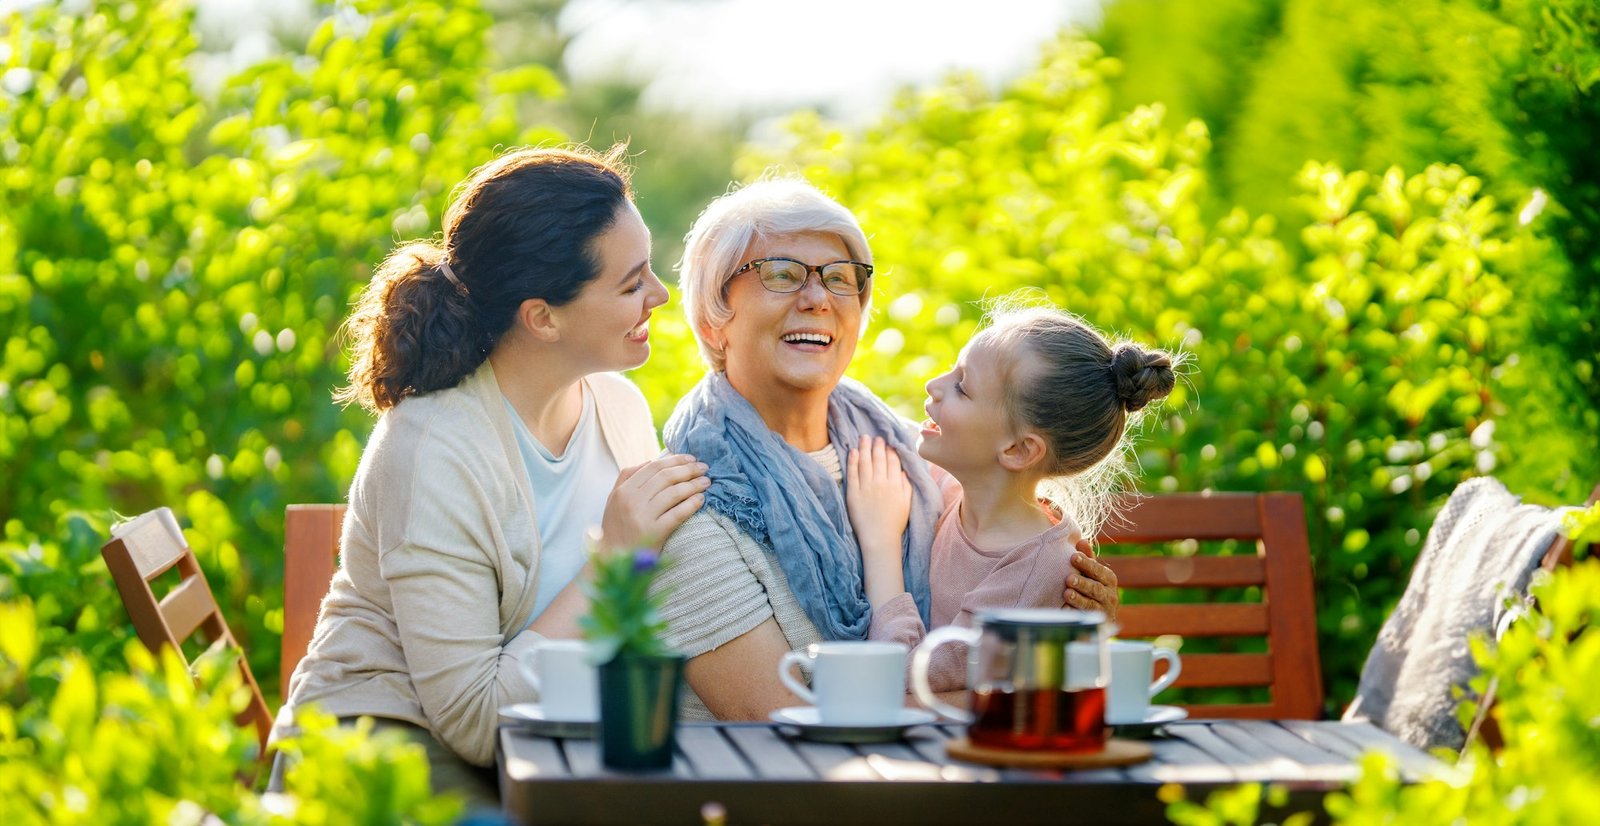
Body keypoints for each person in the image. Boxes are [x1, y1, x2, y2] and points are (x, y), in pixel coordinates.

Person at [274, 146, 709, 804]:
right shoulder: (433, 450)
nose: (661, 295)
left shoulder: (617, 408)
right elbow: (476, 722)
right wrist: (617, 556)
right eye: (631, 283)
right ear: (542, 317)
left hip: (542, 753)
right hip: (382, 762)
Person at [651, 180, 1121, 721]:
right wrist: (1038, 690)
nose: (818, 298)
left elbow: (1018, 598)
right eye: (781, 274)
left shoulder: (922, 460)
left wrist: (1078, 624)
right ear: (714, 322)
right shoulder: (691, 505)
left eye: (840, 279)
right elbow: (779, 720)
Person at [847, 300, 1175, 690]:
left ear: (1018, 450)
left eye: (962, 387)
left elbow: (905, 676)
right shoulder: (956, 491)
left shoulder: (1034, 571)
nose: (933, 386)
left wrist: (880, 542)